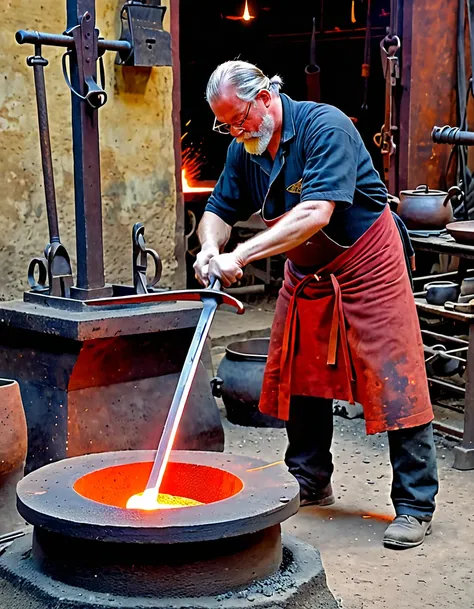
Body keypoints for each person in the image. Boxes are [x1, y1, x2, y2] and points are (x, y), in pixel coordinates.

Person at [193, 60, 439, 550]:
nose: (236, 131)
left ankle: (415, 504)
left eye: (239, 119)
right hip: (306, 270)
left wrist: (242, 253)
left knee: (395, 375)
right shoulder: (246, 147)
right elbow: (219, 210)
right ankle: (309, 480)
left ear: (265, 97)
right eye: (226, 125)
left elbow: (314, 212)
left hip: (367, 261)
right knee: (298, 371)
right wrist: (209, 249)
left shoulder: (326, 126)